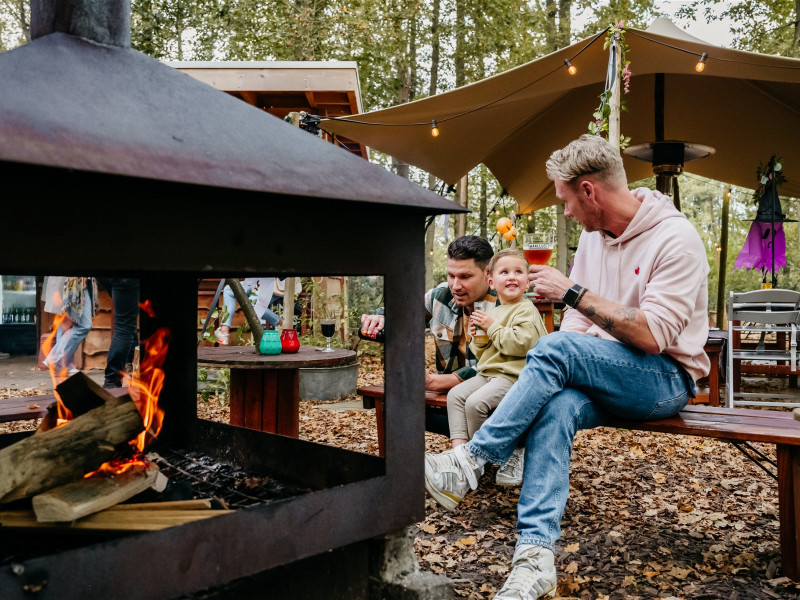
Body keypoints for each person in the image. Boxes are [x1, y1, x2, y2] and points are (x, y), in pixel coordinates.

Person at [423, 134, 710, 599]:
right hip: (601, 372)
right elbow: (576, 325)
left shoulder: (676, 239)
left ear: (589, 191)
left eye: (566, 201)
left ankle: (473, 460)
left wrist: (572, 296)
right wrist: (570, 344)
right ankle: (535, 560)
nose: (567, 213)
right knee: (556, 406)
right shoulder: (594, 240)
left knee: (556, 349)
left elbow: (654, 336)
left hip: (664, 378)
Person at [447, 248, 547, 486]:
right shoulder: (494, 311)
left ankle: (492, 453)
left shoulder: (526, 309)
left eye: (518, 272)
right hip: (490, 373)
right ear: (492, 281)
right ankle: (462, 454)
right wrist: (477, 339)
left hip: (514, 376)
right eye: (504, 272)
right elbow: (485, 353)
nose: (511, 276)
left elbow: (521, 345)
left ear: (527, 281)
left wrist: (491, 328)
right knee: (455, 395)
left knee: (475, 403)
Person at [361, 235, 496, 394]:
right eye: (451, 276)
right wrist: (382, 317)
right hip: (444, 400)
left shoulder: (507, 306)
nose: (456, 286)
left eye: (465, 277)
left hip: (488, 404)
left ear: (488, 274)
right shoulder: (441, 296)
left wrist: (434, 382)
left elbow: (497, 369)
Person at [42, 276, 98, 376]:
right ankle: (55, 359)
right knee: (83, 325)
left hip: (80, 283)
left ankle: (64, 365)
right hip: (69, 282)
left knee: (66, 324)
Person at [96, 278, 139, 389]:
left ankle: (132, 366)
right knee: (124, 327)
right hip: (128, 273)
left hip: (107, 270)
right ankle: (112, 381)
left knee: (127, 322)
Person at [214, 277, 280, 345]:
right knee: (229, 290)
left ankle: (280, 322)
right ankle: (224, 330)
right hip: (258, 282)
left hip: (275, 283)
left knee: (253, 305)